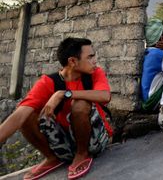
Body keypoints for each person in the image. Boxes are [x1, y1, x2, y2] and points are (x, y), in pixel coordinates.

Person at [0, 38, 112, 180]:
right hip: (63, 143)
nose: (95, 60)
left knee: (80, 103)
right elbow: (20, 114)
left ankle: (82, 154)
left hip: (93, 141)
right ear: (72, 61)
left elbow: (105, 96)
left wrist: (63, 94)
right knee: (26, 114)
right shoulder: (49, 82)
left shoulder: (95, 73)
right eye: (90, 57)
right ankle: (52, 158)